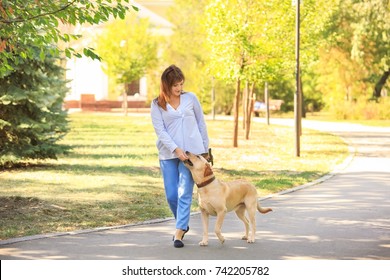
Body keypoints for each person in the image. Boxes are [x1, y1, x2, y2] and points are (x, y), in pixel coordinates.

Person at [151, 65, 209, 248]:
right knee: (171, 194)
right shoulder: (157, 104)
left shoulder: (190, 98)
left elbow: (201, 123)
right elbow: (160, 131)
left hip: (192, 153)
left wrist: (205, 149)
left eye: (181, 84)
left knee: (185, 192)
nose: (179, 88)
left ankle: (179, 231)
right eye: (175, 85)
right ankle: (182, 222)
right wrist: (176, 149)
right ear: (166, 85)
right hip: (168, 153)